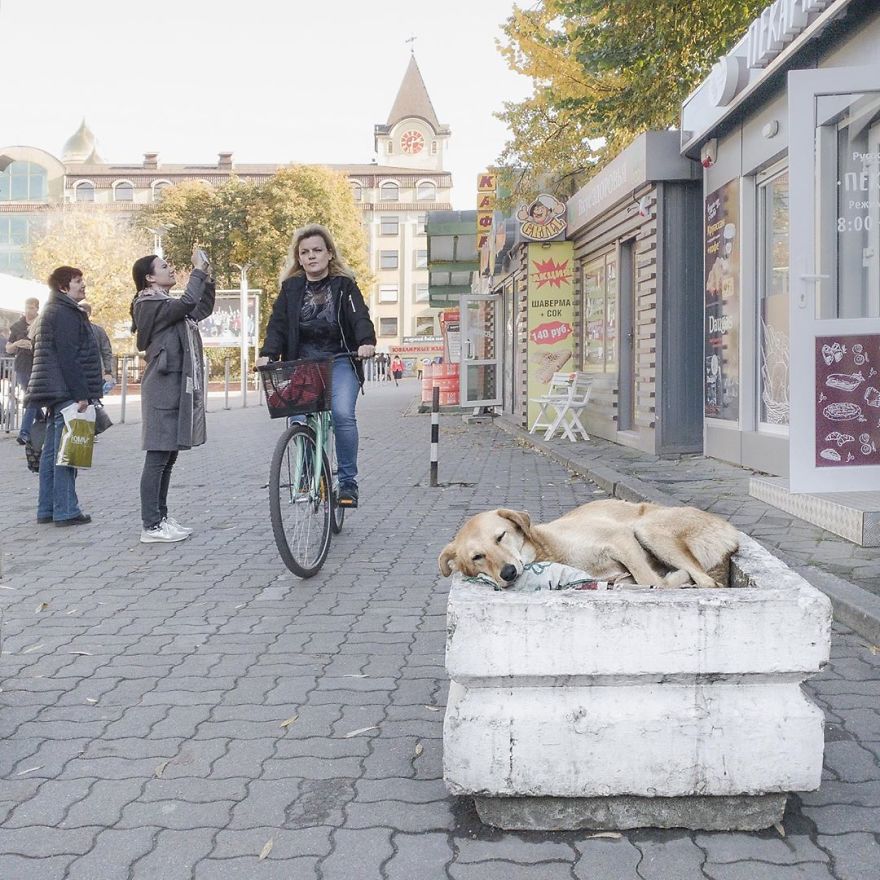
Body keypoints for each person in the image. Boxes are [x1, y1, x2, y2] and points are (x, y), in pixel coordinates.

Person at [257, 223, 376, 509]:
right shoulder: (290, 289)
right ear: (299, 258)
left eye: (317, 250)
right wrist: (268, 354)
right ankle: (310, 473)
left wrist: (366, 342)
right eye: (305, 252)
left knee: (343, 414)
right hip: (303, 364)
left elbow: (359, 316)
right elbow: (278, 326)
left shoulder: (345, 286)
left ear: (329, 253)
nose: (311, 256)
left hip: (340, 359)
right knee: (297, 419)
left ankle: (347, 482)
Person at [131, 246, 216, 544]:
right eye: (164, 266)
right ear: (149, 278)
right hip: (161, 387)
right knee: (157, 456)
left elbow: (201, 308)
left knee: (168, 456)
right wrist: (197, 271)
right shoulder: (147, 303)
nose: (171, 269)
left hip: (174, 385)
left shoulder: (166, 303)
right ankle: (151, 525)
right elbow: (189, 301)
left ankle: (161, 517)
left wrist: (207, 277)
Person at [26, 269, 102, 526]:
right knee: (67, 453)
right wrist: (81, 395)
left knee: (51, 453)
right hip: (66, 391)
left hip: (54, 390)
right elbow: (69, 356)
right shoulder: (65, 312)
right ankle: (66, 510)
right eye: (78, 281)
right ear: (63, 287)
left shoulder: (52, 310)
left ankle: (47, 508)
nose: (83, 285)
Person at [6, 296, 40, 445]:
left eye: (31, 308)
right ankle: (42, 420)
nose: (28, 310)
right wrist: (17, 344)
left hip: (38, 365)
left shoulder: (42, 323)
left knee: (31, 397)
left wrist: (32, 345)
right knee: (32, 397)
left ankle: (24, 432)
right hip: (21, 366)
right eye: (26, 307)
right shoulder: (17, 326)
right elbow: (8, 348)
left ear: (37, 309)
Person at [79, 300, 115, 392]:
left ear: (87, 314)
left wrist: (108, 372)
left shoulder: (98, 331)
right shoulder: (70, 330)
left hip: (94, 371)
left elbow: (107, 352)